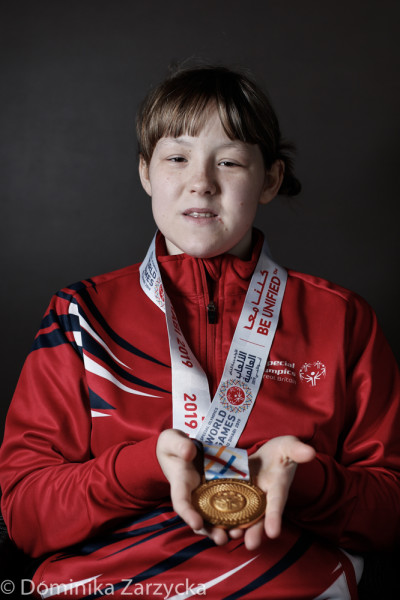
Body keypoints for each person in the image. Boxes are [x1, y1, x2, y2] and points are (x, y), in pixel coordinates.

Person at [0, 65, 399, 600]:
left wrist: (308, 480)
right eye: (177, 157)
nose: (202, 181)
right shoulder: (79, 314)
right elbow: (26, 517)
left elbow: (388, 513)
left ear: (271, 180)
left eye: (230, 161)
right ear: (146, 173)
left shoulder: (343, 319)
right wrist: (142, 467)